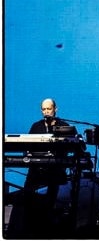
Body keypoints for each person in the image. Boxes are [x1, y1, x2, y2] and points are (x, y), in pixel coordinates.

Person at [20, 99, 70, 234]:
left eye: (49, 109)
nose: (46, 112)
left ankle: (50, 226)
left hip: (55, 171)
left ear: (55, 109)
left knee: (51, 197)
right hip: (36, 169)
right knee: (28, 196)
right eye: (44, 109)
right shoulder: (36, 126)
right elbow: (27, 147)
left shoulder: (64, 125)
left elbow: (73, 146)